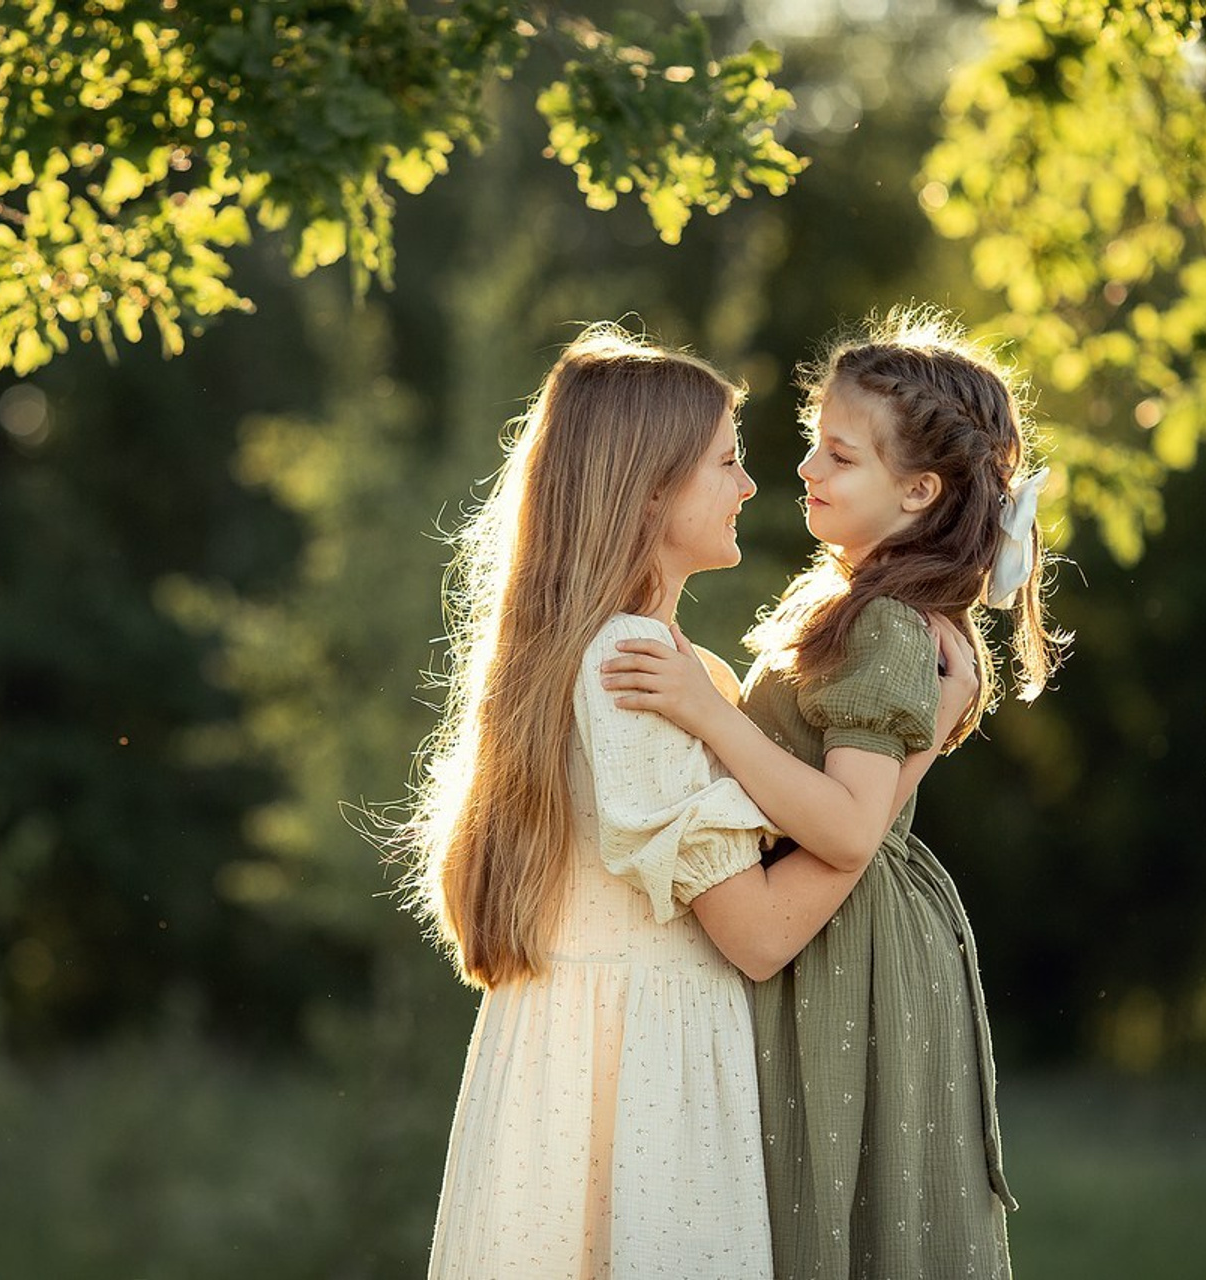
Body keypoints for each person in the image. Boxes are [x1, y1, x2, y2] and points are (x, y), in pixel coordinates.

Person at [407, 323, 976, 1279]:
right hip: (642, 1086)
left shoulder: (677, 672)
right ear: (648, 488)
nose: (754, 485)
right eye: (726, 462)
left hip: (602, 1066)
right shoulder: (638, 675)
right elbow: (757, 936)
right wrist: (915, 755)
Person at [601, 308, 1065, 1279]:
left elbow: (850, 823)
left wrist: (706, 711)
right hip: (842, 927)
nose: (805, 468)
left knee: (834, 1204)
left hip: (844, 945)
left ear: (916, 489)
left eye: (838, 455)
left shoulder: (887, 623)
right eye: (815, 444)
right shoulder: (866, 609)